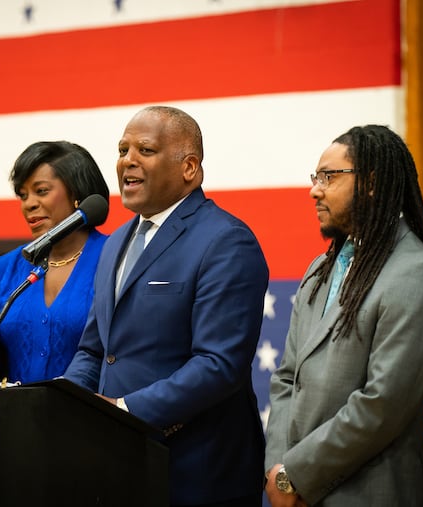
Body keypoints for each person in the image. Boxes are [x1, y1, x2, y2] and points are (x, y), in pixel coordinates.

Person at [63, 105, 270, 506]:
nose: (127, 161)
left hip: (199, 474)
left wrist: (124, 410)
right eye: (122, 149)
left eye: (145, 150)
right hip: (120, 467)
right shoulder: (115, 243)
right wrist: (68, 403)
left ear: (189, 167)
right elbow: (96, 349)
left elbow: (219, 364)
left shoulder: (226, 241)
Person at [263, 125, 423, 507]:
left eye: (329, 177)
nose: (314, 190)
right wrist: (280, 470)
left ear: (370, 183)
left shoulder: (417, 274)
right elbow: (287, 378)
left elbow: (382, 405)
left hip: (371, 492)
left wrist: (297, 474)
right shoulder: (320, 268)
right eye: (315, 177)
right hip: (299, 489)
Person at [0, 140, 110, 384]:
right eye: (23, 195)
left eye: (41, 191)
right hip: (14, 418)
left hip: (93, 416)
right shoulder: (3, 271)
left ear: (77, 194)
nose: (28, 204)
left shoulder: (113, 258)